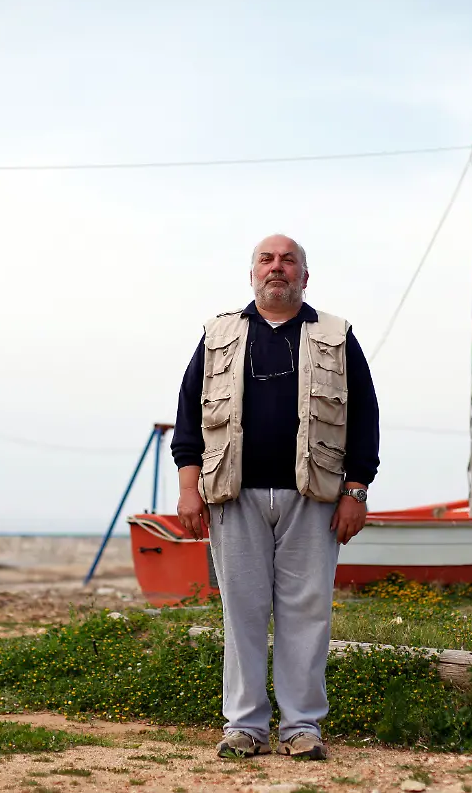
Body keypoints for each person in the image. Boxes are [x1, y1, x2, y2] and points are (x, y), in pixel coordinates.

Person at [171, 234, 381, 761]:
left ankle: (301, 727)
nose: (277, 267)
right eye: (267, 260)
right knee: (241, 612)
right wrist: (188, 490)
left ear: (304, 277)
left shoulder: (336, 335)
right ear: (252, 274)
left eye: (289, 261)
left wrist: (356, 490)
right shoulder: (218, 334)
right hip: (232, 495)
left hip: (315, 496)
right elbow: (188, 414)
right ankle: (244, 726)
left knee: (307, 614)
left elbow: (365, 415)